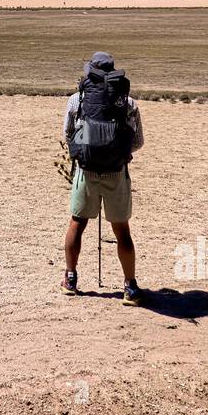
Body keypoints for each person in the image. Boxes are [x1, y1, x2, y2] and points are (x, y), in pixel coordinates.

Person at [61, 51, 144, 304]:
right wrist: (116, 152)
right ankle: (129, 287)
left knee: (77, 223)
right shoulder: (127, 102)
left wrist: (88, 148)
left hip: (86, 171)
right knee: (122, 231)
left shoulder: (78, 99)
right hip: (116, 173)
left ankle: (71, 278)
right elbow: (138, 142)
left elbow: (68, 135)